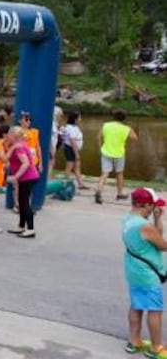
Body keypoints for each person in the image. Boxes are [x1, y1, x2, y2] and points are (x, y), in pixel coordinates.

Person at [122, 188, 167, 358]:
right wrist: (154, 221)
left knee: (136, 305)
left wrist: (157, 218)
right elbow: (163, 245)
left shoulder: (127, 219)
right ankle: (156, 348)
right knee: (155, 310)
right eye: (152, 206)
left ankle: (134, 342)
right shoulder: (144, 226)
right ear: (145, 204)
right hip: (147, 274)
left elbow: (156, 235)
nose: (153, 209)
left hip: (133, 270)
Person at [96, 109, 138, 204]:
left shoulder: (106, 125)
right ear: (124, 118)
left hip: (106, 152)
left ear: (113, 117)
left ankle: (99, 190)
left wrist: (100, 148)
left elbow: (98, 137)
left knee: (104, 173)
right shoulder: (126, 128)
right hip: (119, 153)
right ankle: (119, 193)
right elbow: (135, 138)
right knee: (119, 173)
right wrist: (130, 130)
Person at [6, 126, 39, 238]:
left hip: (27, 177)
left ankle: (30, 229)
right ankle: (21, 226)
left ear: (14, 136)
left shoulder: (18, 147)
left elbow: (25, 163)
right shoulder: (20, 145)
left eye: (9, 135)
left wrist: (16, 176)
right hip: (26, 177)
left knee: (24, 202)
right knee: (21, 201)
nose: (7, 137)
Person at [61, 111, 88, 190]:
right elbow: (72, 141)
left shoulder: (75, 127)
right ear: (75, 119)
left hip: (74, 149)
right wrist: (76, 154)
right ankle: (65, 183)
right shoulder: (70, 128)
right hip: (71, 149)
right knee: (69, 166)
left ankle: (80, 184)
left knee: (77, 166)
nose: (80, 119)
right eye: (79, 117)